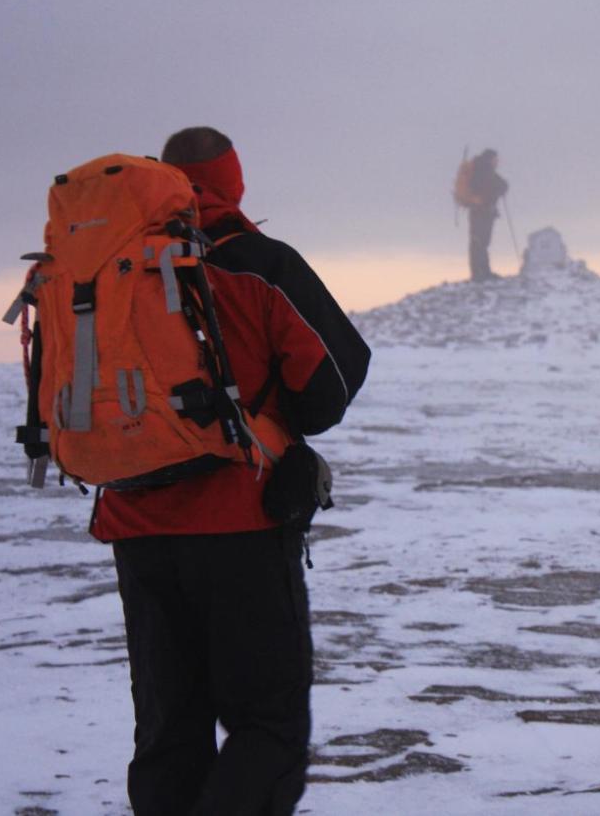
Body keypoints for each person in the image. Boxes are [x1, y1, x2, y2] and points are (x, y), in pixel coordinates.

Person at [92, 127, 370, 815]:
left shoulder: (103, 266)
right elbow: (331, 382)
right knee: (267, 726)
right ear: (233, 180)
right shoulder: (257, 263)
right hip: (242, 522)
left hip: (136, 527)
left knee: (168, 730)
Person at [466, 148, 509, 282]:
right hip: (481, 212)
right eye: (495, 159)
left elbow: (501, 185)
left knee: (480, 242)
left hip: (481, 212)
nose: (497, 162)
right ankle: (480, 273)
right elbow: (500, 185)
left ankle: (481, 272)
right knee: (479, 241)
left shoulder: (483, 171)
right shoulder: (483, 172)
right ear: (490, 159)